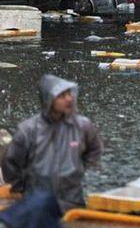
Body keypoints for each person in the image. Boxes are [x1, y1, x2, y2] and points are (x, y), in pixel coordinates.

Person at [1, 75, 103, 212]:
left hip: (73, 200)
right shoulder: (28, 130)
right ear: (49, 100)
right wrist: (22, 187)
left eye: (69, 94)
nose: (68, 99)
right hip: (36, 201)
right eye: (62, 96)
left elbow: (95, 150)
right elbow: (10, 163)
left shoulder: (83, 126)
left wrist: (80, 169)